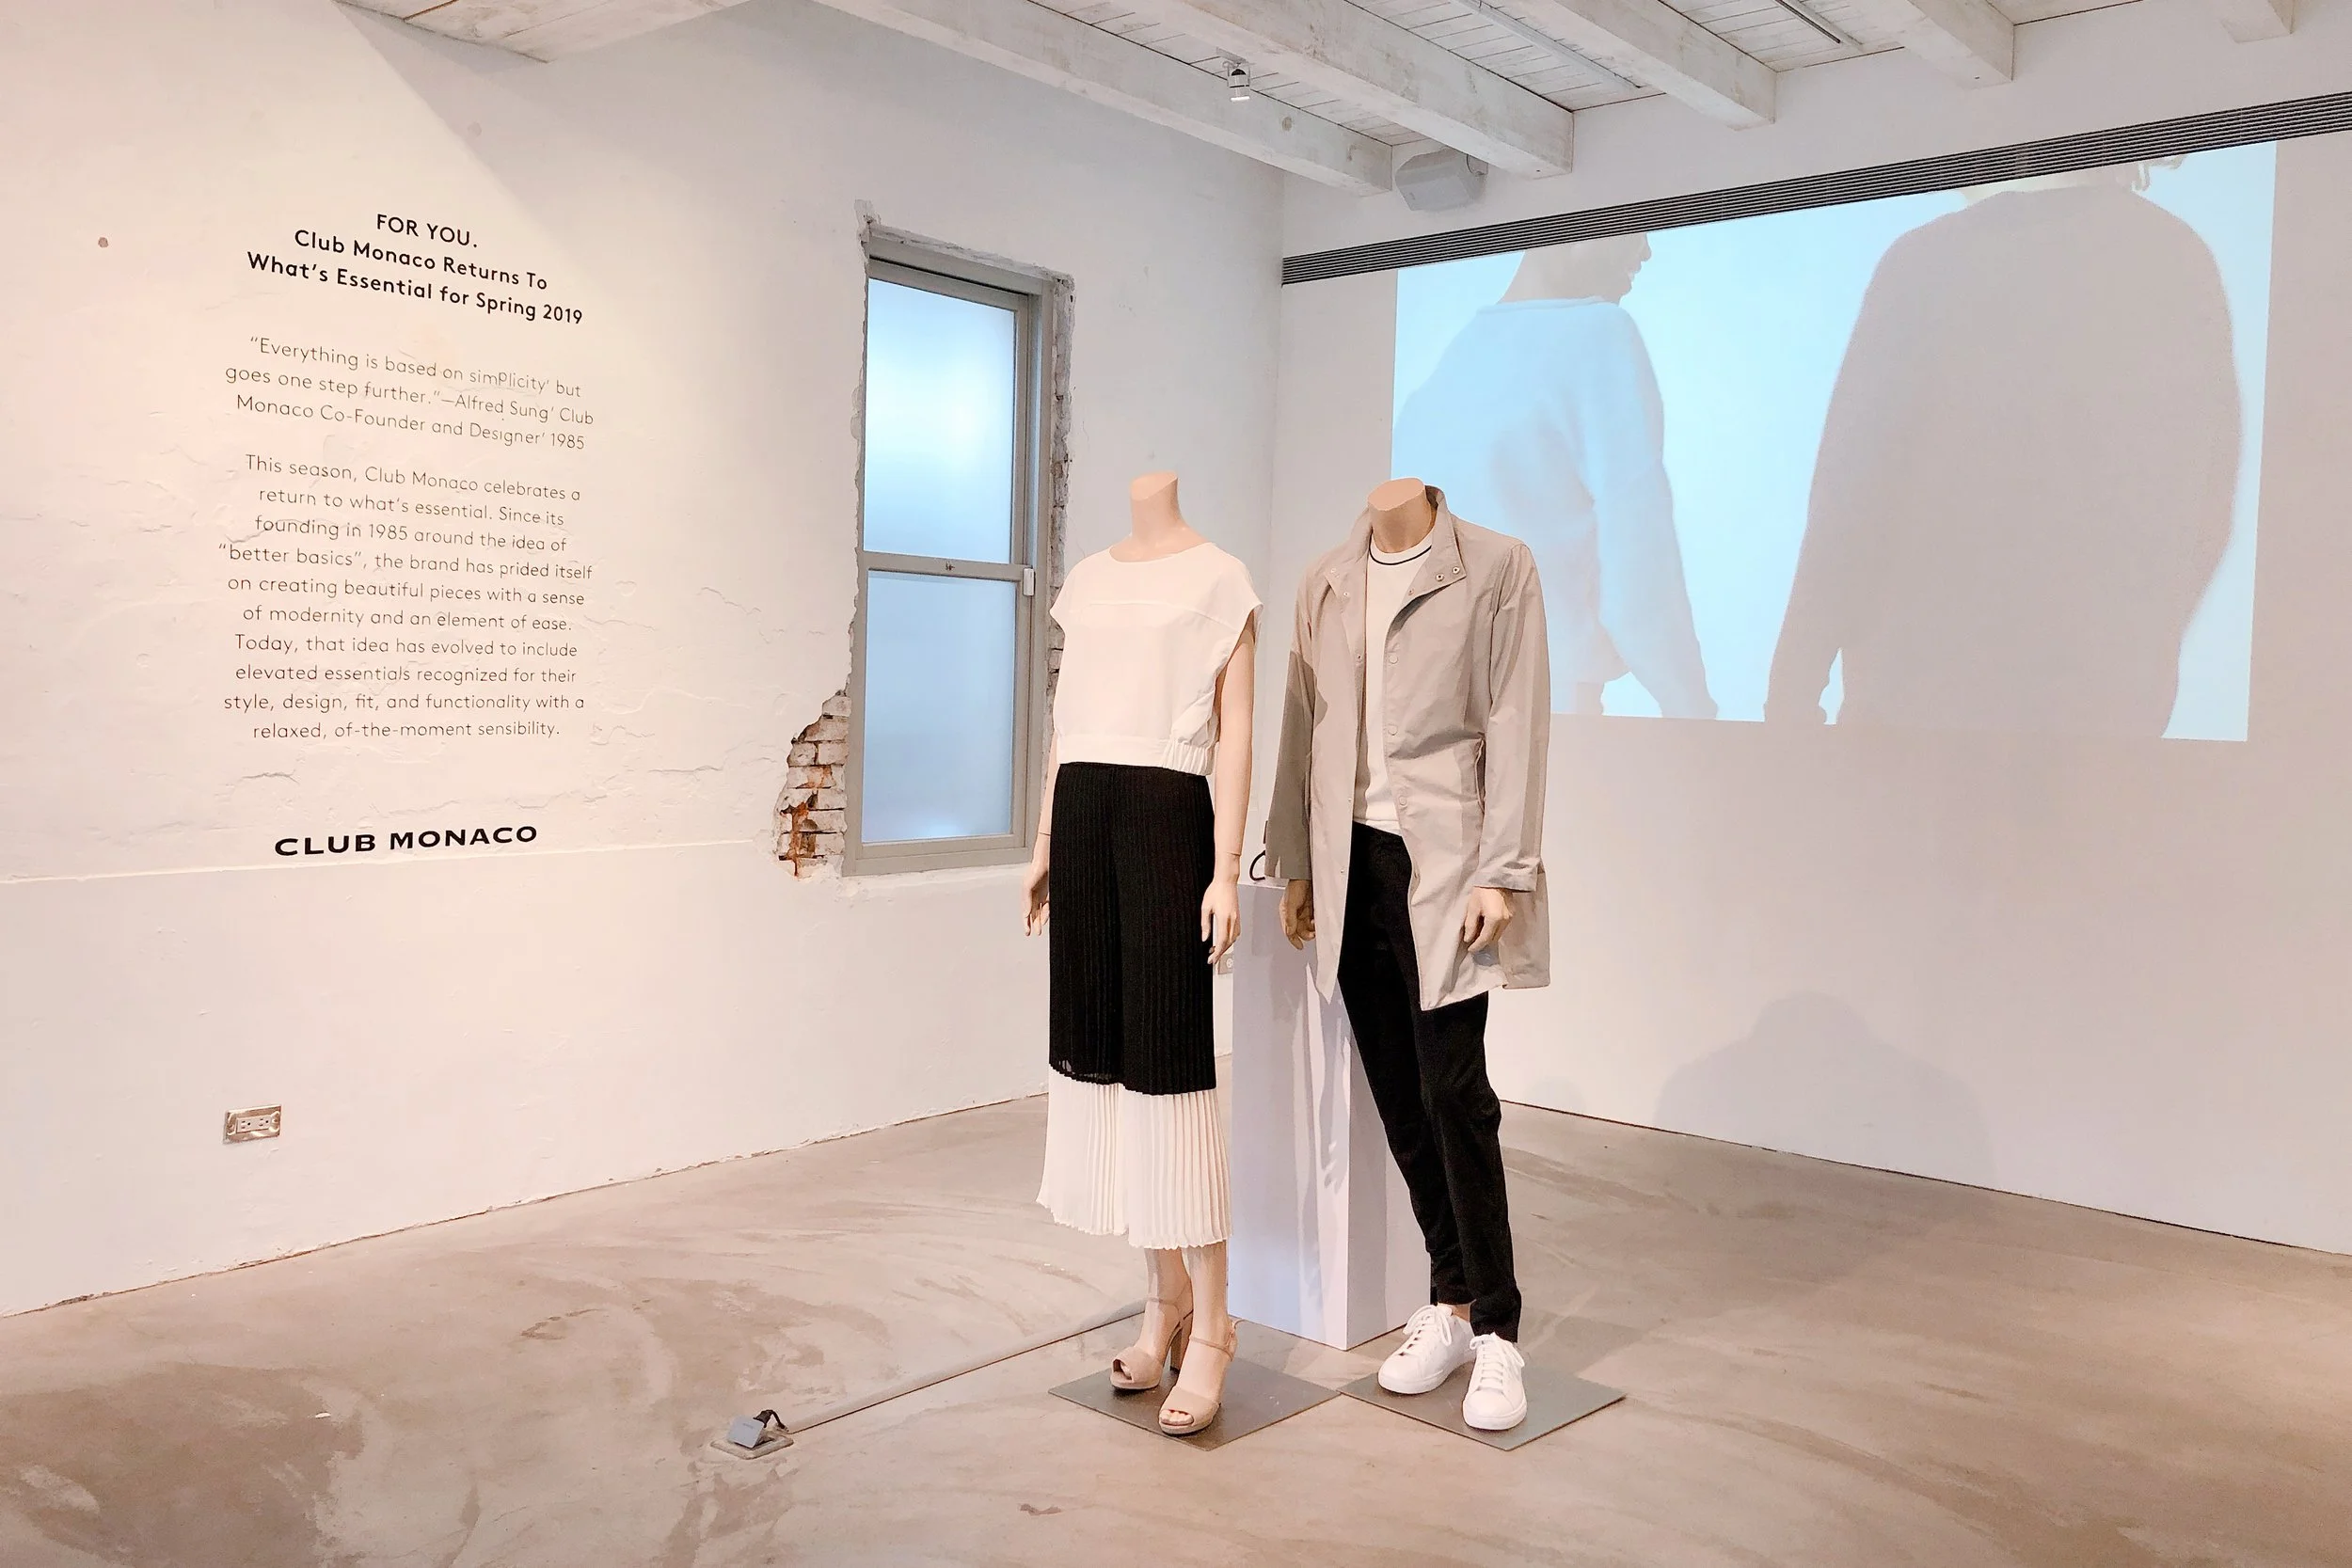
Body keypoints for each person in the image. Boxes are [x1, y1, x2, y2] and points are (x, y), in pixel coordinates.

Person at [1263, 477, 1549, 1432]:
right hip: (1347, 859)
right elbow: (1301, 721)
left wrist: (1503, 870)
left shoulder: (1496, 566)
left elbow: (1516, 719)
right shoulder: (1327, 579)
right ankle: (1451, 1301)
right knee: (1396, 1089)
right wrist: (1294, 859)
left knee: (1454, 1090)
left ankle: (1499, 1327)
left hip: (1445, 864)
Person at [1768, 165, 2239, 735]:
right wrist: (2138, 671)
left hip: (1912, 705)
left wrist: (1791, 694)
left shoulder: (1924, 262)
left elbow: (1850, 498)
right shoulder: (2172, 256)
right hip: (2093, 714)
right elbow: (2205, 504)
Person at [1023, 470, 1259, 1437]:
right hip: (1085, 812)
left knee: (1168, 1068)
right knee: (1109, 1065)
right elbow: (1065, 725)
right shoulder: (1087, 577)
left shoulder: (1221, 577)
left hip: (1167, 813)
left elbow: (1236, 734)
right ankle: (1163, 1303)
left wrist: (1225, 868)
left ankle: (1216, 1323)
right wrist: (1046, 839)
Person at [1393, 233, 1713, 719]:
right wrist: (1693, 713)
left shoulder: (1441, 378)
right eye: (1634, 226)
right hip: (1555, 710)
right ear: (1570, 231)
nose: (1646, 250)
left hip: (1443, 710)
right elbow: (1640, 568)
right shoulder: (1599, 334)